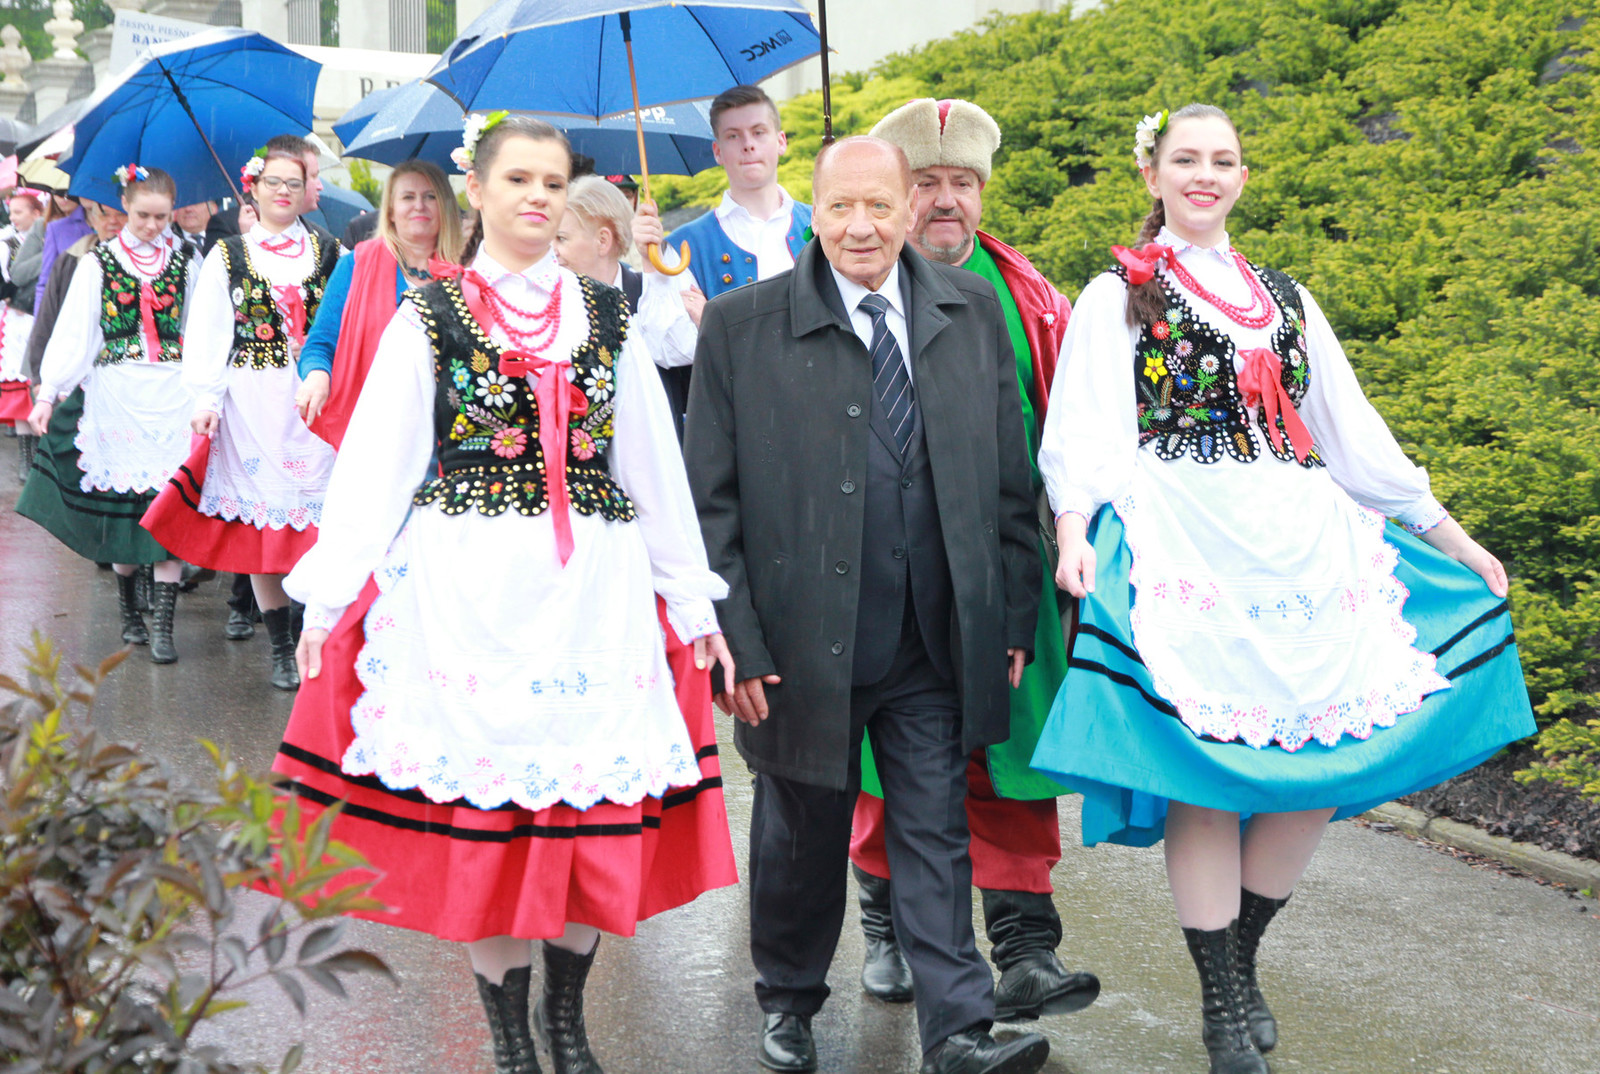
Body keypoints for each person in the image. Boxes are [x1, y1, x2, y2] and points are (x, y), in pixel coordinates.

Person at [1033, 104, 1536, 1074]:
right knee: (1209, 776)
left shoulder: (1287, 297)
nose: (1204, 175)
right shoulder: (1118, 291)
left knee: (1321, 766)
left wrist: (1451, 535)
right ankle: (1222, 1005)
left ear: (1242, 177)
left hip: (1304, 549)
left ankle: (1239, 959)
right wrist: (1072, 529)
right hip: (1185, 542)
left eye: (1222, 160)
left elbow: (1353, 435)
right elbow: (1084, 427)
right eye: (1186, 158)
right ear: (1152, 174)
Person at [269, 113, 738, 1074]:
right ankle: (511, 1040)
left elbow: (652, 464)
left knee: (587, 810)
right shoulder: (429, 315)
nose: (536, 197)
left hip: (594, 592)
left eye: (553, 183)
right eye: (518, 179)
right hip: (470, 592)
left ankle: (568, 1024)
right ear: (475, 192)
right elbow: (378, 463)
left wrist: (692, 599)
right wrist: (328, 596)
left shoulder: (606, 315)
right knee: (489, 821)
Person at [687, 135, 1049, 1074]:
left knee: (935, 829)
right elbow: (708, 506)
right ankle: (789, 1000)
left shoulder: (971, 310)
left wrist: (1011, 614)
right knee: (800, 836)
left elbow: (1008, 477)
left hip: (933, 631)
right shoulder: (741, 325)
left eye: (879, 207)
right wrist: (737, 640)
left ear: (908, 206)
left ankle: (958, 1031)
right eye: (840, 207)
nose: (860, 227)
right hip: (799, 643)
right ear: (813, 210)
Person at [851, 96, 1099, 1021]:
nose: (945, 201)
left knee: (1008, 757)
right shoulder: (854, 288)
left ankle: (1026, 949)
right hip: (887, 567)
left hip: (1003, 561)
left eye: (962, 183)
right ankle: (887, 926)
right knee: (887, 759)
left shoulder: (1032, 298)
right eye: (926, 183)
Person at [140, 142, 341, 691]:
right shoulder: (228, 255)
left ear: (307, 190)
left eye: (294, 183)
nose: (283, 191)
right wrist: (205, 400)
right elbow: (208, 330)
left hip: (315, 400)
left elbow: (347, 321)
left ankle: (308, 632)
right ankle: (280, 648)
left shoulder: (330, 252)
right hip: (253, 400)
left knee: (320, 524)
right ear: (253, 188)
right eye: (273, 182)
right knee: (263, 527)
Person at [21, 167, 199, 661]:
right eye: (143, 216)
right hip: (117, 393)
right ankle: (129, 611)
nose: (152, 226)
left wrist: (209, 392)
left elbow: (200, 328)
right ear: (125, 207)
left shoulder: (188, 260)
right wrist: (49, 392)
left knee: (168, 506)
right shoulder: (99, 263)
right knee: (125, 511)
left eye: (162, 217)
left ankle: (163, 627)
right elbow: (77, 331)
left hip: (172, 395)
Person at [632, 84, 811, 437]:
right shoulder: (686, 245)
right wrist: (650, 262)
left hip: (821, 414)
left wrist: (712, 322)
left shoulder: (821, 227)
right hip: (738, 428)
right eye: (733, 136)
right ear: (717, 151)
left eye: (758, 132)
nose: (748, 144)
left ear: (781, 141)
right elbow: (665, 349)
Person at [295, 159, 463, 448]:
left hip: (449, 432)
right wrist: (317, 375)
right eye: (408, 197)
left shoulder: (467, 274)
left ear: (445, 207)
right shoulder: (356, 265)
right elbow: (321, 343)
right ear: (391, 211)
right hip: (375, 427)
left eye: (430, 197)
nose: (419, 206)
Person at [0, 188, 43, 474]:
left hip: (43, 317)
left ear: (37, 213)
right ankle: (26, 458)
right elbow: (7, 280)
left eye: (19, 212)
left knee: (40, 385)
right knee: (20, 386)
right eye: (11, 212)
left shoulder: (49, 237)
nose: (13, 217)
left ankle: (40, 455)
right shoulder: (7, 243)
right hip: (18, 319)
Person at [555, 174, 642, 309]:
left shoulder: (652, 299)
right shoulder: (542, 304)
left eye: (561, 238)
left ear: (603, 241)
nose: (551, 251)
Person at [33, 192, 92, 314]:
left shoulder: (113, 223)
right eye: (57, 192)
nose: (62, 198)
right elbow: (46, 280)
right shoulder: (56, 228)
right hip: (70, 309)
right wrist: (40, 319)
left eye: (67, 192)